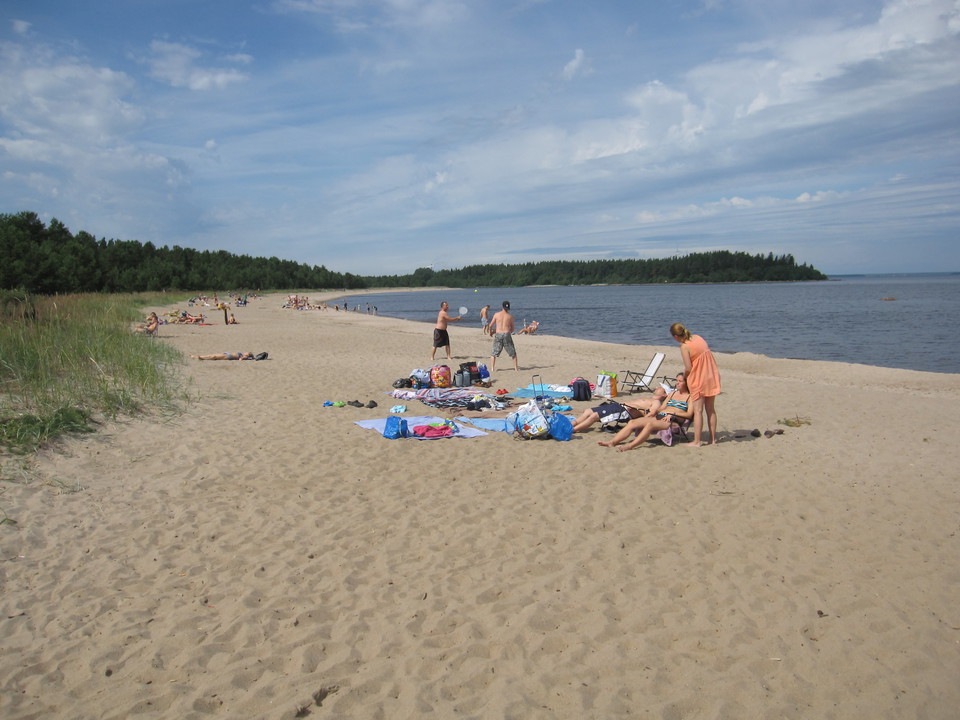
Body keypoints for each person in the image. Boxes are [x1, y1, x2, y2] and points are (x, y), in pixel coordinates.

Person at [598, 373, 694, 451]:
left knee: (650, 425)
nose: (677, 383)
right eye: (676, 380)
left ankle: (630, 446)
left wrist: (673, 414)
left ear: (687, 383)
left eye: (680, 381)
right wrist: (653, 411)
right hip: (660, 416)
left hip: (673, 421)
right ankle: (612, 442)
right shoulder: (672, 394)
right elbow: (662, 408)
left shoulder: (690, 397)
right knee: (632, 422)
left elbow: (689, 414)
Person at [670, 322, 721, 446]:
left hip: (698, 379)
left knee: (698, 411)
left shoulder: (684, 346)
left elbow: (688, 367)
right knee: (710, 409)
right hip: (711, 375)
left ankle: (697, 441)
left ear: (675, 336)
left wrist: (685, 377)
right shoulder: (698, 337)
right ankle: (712, 439)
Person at [571, 385, 668, 433]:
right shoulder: (650, 399)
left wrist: (638, 418)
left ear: (664, 394)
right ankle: (571, 424)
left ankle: (572, 430)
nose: (657, 387)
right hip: (618, 406)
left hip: (624, 411)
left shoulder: (657, 402)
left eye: (661, 388)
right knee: (588, 411)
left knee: (595, 416)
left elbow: (651, 414)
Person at [488, 300, 519, 371]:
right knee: (512, 352)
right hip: (506, 333)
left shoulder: (496, 315)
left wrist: (491, 332)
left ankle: (492, 368)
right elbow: (512, 329)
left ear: (502, 306)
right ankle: (516, 368)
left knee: (494, 352)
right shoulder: (510, 316)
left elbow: (490, 325)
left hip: (498, 333)